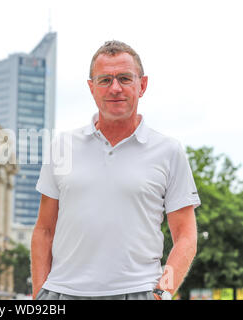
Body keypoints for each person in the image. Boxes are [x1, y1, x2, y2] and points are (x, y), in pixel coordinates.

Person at [31, 40, 200, 301]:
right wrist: (40, 294)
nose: (115, 88)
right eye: (105, 80)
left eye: (124, 78)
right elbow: (44, 230)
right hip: (62, 293)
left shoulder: (169, 151)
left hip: (138, 293)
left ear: (142, 85)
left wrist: (163, 291)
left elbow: (186, 235)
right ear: (91, 87)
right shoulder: (61, 146)